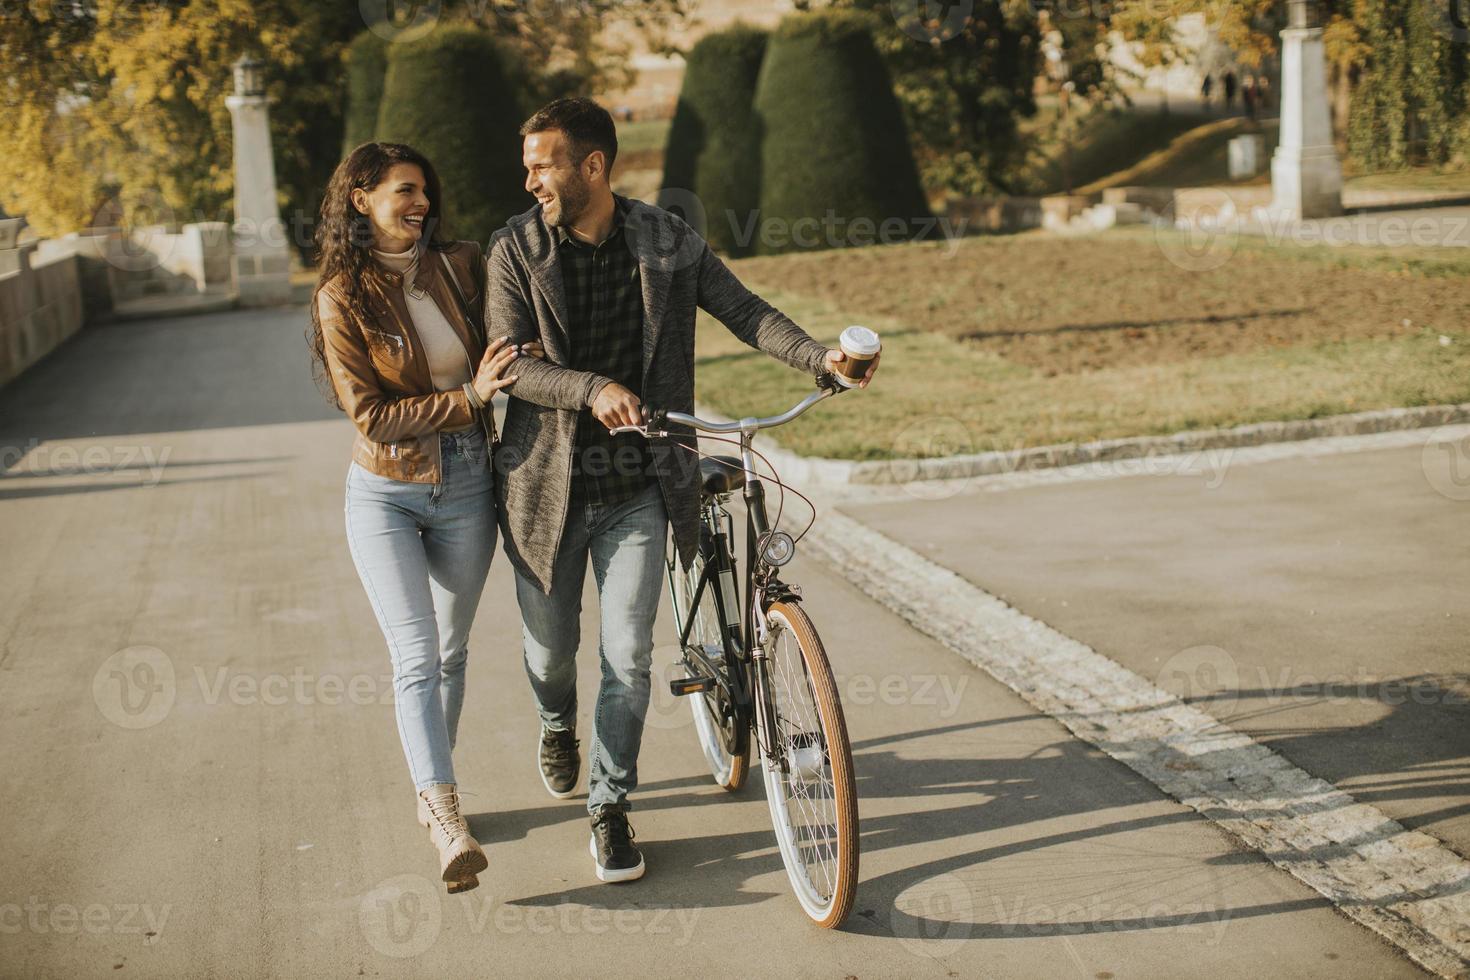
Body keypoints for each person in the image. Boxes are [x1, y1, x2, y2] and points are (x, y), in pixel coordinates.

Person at [486, 98, 879, 884]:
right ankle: (557, 722)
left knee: (629, 654)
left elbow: (745, 312)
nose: (529, 179)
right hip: (546, 488)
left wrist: (818, 360)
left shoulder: (667, 240)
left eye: (542, 163)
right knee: (550, 653)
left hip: (640, 482)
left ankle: (610, 806)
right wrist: (594, 387)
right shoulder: (514, 249)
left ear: (592, 167)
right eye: (527, 164)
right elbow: (511, 364)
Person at [309, 141, 545, 894]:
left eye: (424, 192)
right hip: (385, 492)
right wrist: (471, 399)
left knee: (450, 652)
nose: (418, 204)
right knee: (414, 655)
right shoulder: (341, 294)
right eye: (402, 191)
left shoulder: (462, 263)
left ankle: (426, 785)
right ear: (361, 199)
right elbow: (372, 417)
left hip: (469, 485)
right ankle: (446, 817)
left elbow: (508, 334)